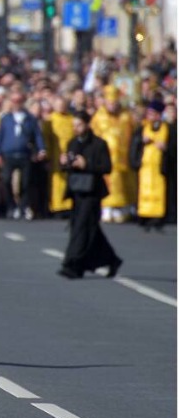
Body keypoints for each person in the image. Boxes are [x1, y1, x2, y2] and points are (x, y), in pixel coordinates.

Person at [58, 110, 122, 279]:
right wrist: (64, 163)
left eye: (79, 125)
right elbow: (68, 168)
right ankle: (111, 259)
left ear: (87, 124)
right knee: (88, 228)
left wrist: (87, 164)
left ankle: (72, 264)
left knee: (81, 227)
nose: (76, 128)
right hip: (77, 190)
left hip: (92, 192)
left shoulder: (99, 144)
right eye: (74, 125)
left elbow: (106, 167)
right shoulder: (72, 143)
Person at [0, 91, 47, 220]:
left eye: (19, 101)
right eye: (14, 101)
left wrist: (41, 149)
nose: (16, 104)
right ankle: (11, 206)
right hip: (9, 155)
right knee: (6, 181)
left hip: (24, 154)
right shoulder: (6, 119)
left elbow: (37, 135)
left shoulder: (30, 119)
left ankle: (23, 207)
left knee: (25, 183)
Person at [91, 85, 136, 223]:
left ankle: (122, 208)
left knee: (123, 184)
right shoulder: (98, 117)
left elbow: (134, 135)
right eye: (110, 102)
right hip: (106, 158)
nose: (112, 105)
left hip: (123, 157)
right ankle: (106, 208)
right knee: (107, 183)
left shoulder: (126, 116)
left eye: (115, 102)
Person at [130, 99, 173, 232]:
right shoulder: (142, 129)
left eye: (153, 114)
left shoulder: (169, 129)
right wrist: (141, 142)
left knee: (160, 193)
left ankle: (158, 219)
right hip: (145, 168)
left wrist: (166, 148)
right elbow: (133, 145)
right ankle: (144, 217)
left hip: (160, 168)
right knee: (144, 192)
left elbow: (174, 147)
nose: (150, 116)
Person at [43, 95, 76, 219]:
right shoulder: (50, 120)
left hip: (70, 154)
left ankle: (68, 205)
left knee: (69, 180)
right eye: (59, 105)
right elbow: (47, 140)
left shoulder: (72, 119)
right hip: (56, 154)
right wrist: (48, 157)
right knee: (57, 182)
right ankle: (57, 207)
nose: (61, 107)